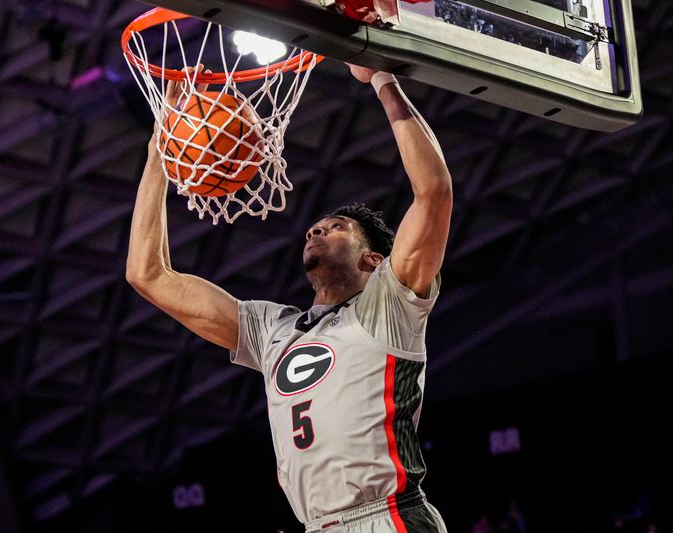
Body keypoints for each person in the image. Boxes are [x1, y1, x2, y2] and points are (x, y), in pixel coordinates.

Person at [126, 63, 453, 532]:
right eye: (316, 226)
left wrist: (382, 80)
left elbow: (434, 192)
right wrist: (162, 145)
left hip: (387, 517)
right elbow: (147, 274)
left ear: (374, 260)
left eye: (338, 228)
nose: (317, 228)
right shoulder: (272, 328)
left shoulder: (389, 305)